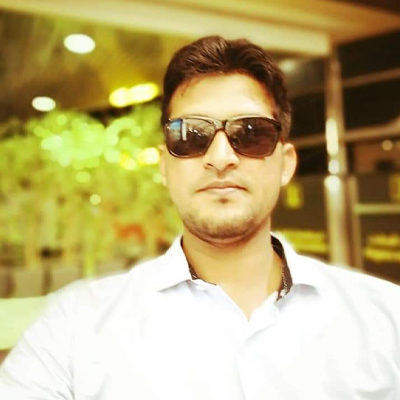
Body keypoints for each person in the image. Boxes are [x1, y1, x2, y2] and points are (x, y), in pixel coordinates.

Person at [1, 35, 399, 400]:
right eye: (190, 135)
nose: (221, 157)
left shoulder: (386, 319)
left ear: (286, 164)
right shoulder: (74, 329)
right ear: (164, 166)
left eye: (251, 133)